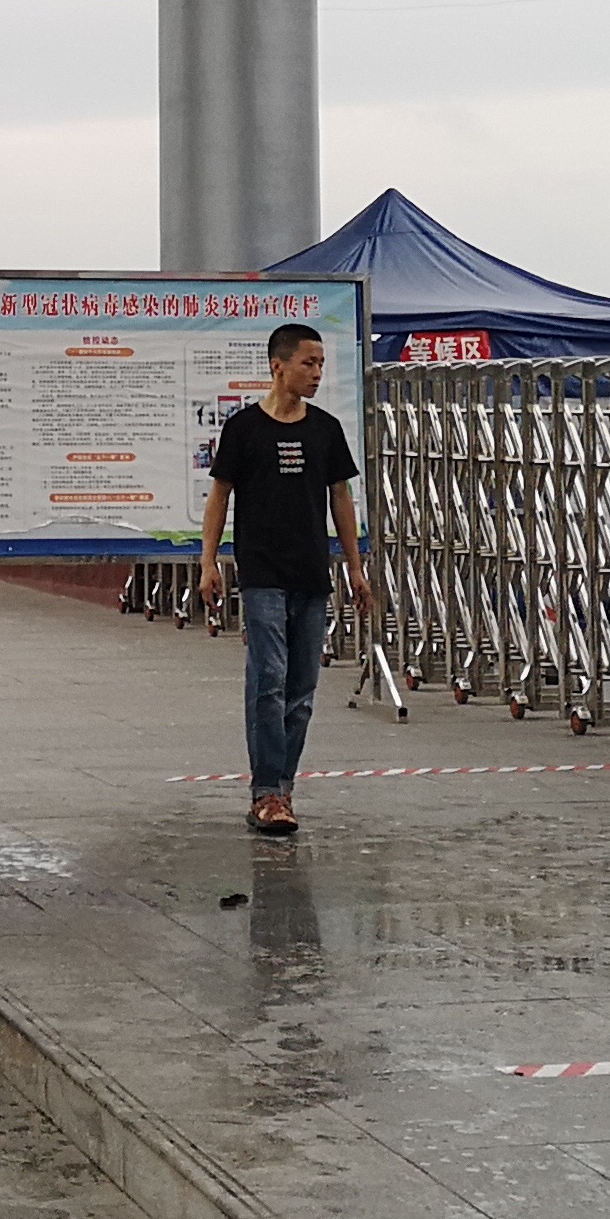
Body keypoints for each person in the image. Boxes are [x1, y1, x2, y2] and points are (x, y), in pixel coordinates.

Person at [196, 323, 367, 838]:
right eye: (308, 363)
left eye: (321, 365)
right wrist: (208, 562)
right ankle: (266, 791)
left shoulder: (325, 430)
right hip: (262, 573)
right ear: (279, 366)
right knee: (268, 681)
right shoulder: (244, 428)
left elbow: (341, 499)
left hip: (311, 573)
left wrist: (355, 565)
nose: (316, 373)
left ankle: (283, 788)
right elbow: (220, 496)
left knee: (302, 691)